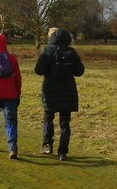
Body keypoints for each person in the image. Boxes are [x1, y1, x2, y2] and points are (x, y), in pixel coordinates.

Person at [33, 28, 85, 161]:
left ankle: (47, 144)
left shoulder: (47, 50)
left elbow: (39, 70)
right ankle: (62, 152)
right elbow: (79, 71)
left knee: (48, 118)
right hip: (68, 92)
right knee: (65, 123)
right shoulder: (71, 52)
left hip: (50, 91)